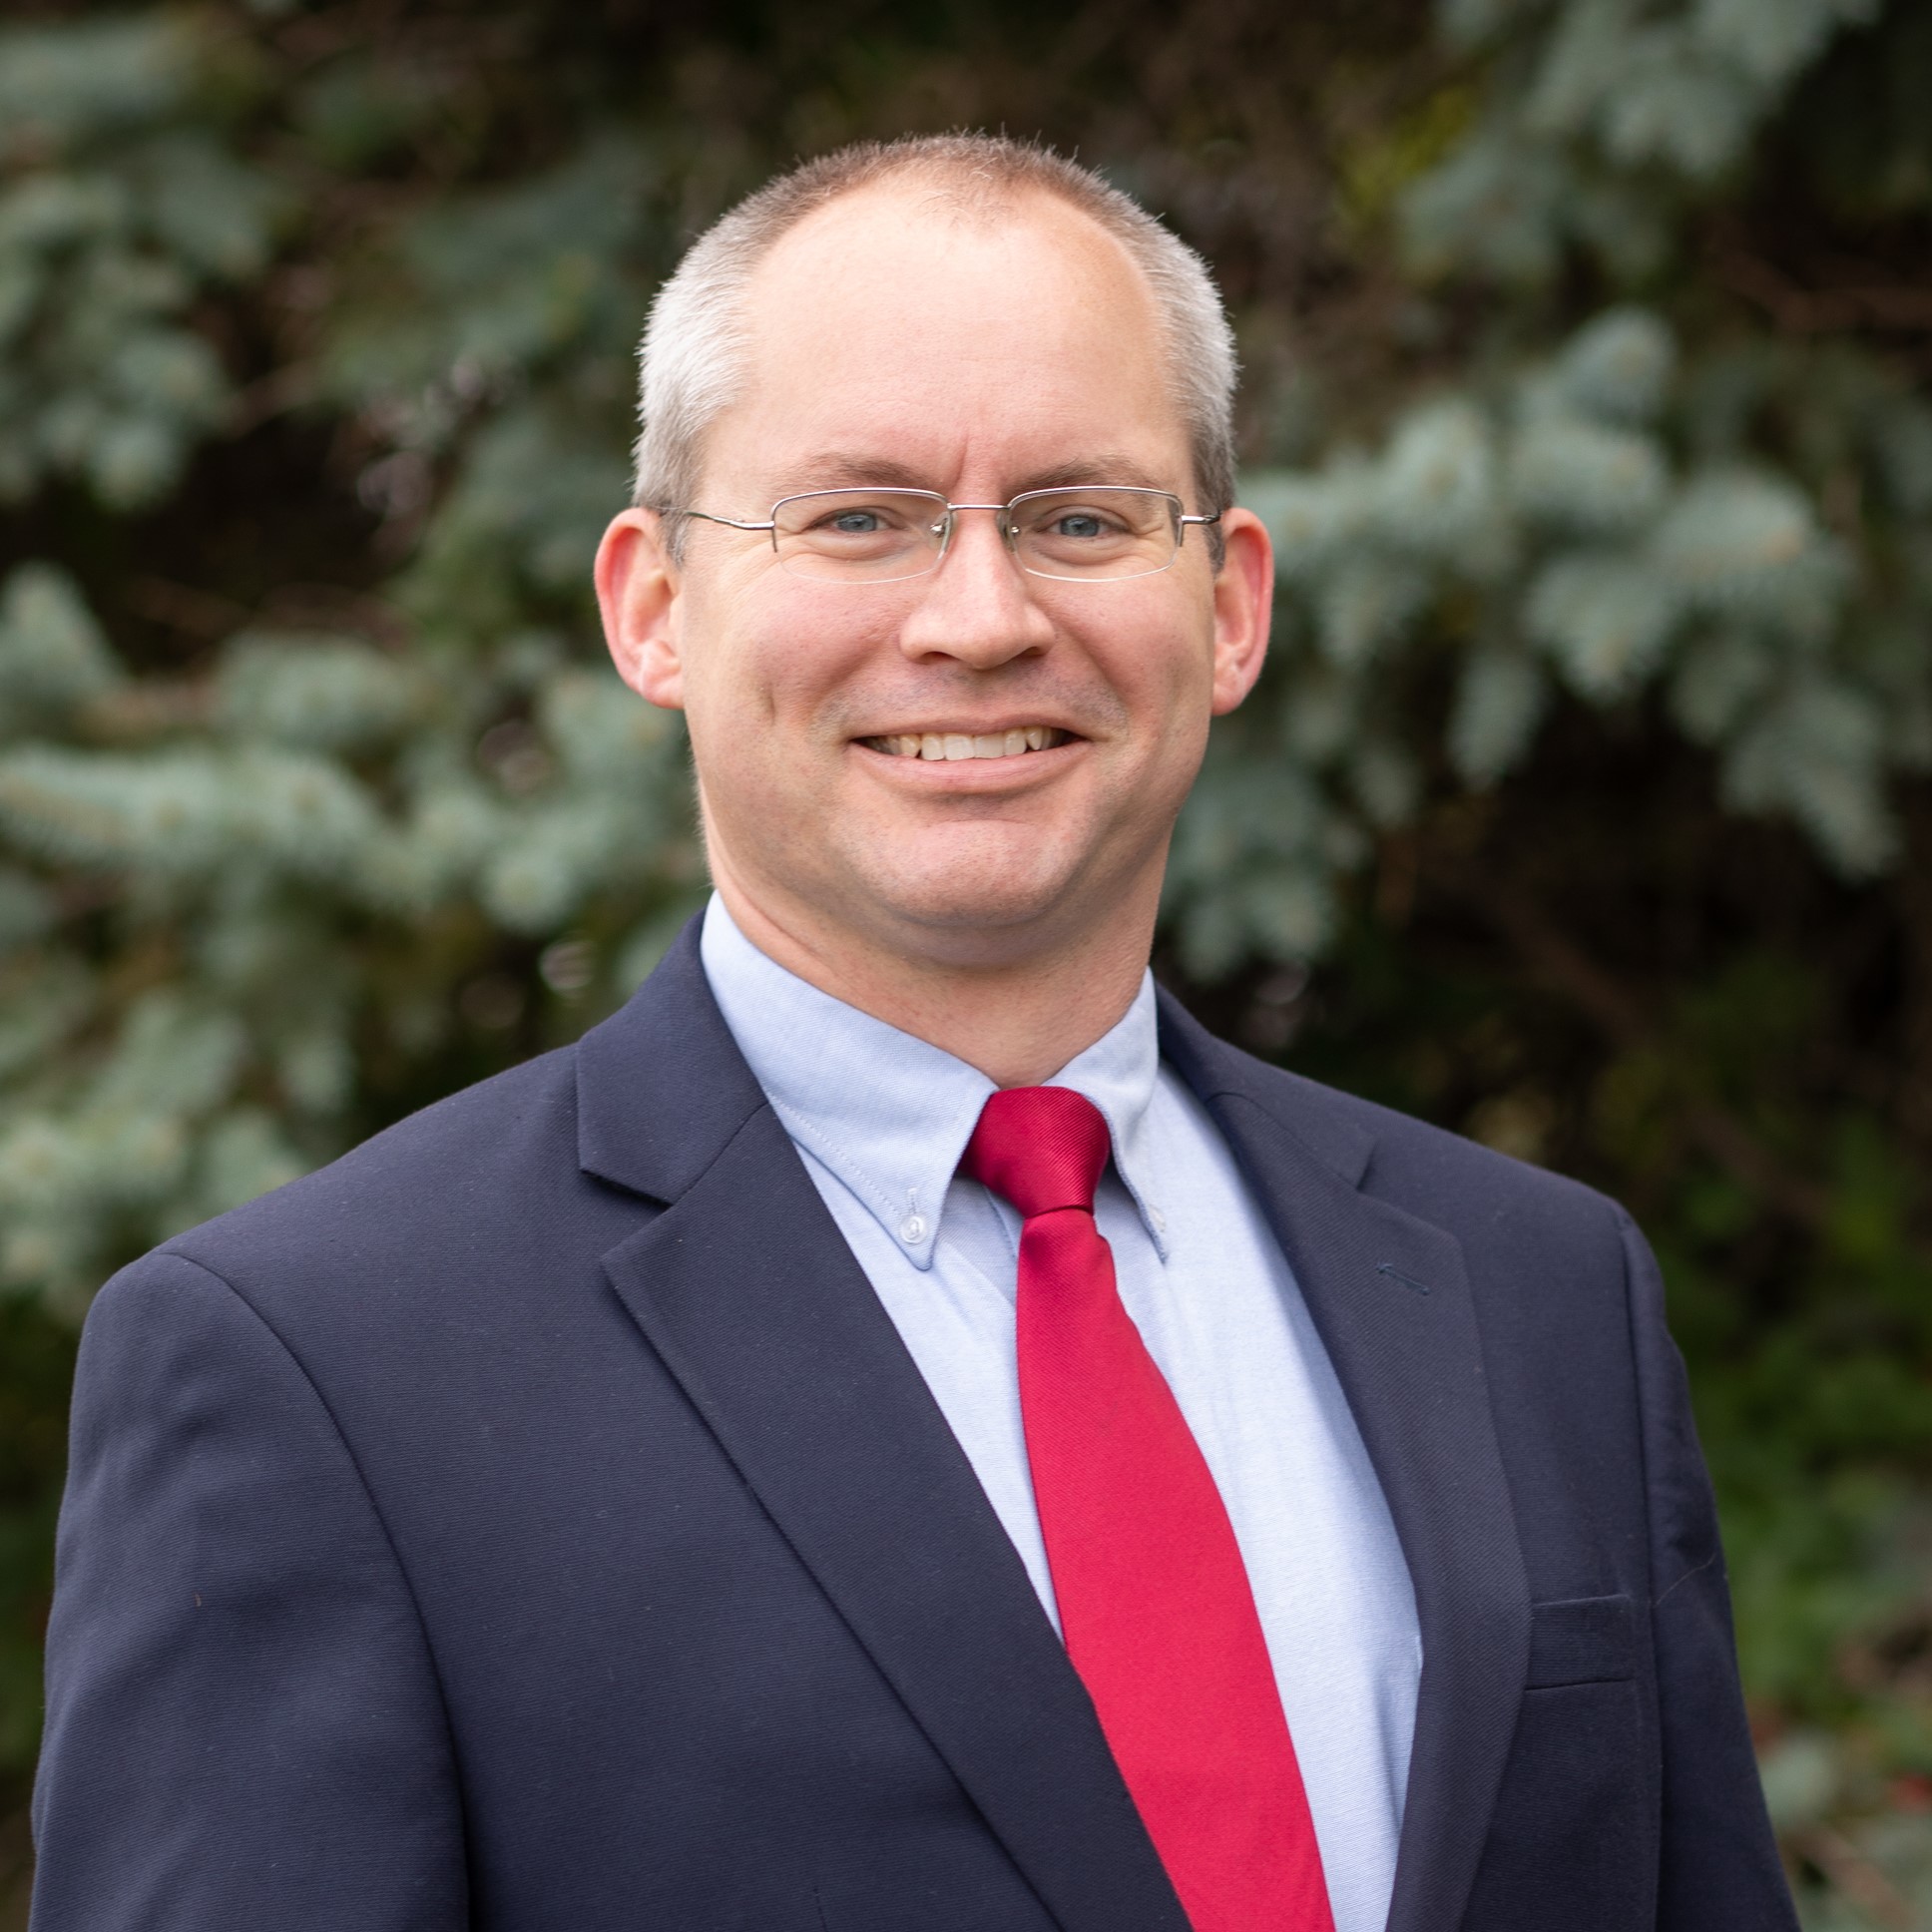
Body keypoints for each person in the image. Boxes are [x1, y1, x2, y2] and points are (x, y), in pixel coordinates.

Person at [31, 135, 1796, 1932]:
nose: (979, 618)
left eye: (1080, 519)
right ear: (653, 607)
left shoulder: (1542, 1298)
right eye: (860, 517)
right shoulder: (323, 1374)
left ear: (1232, 603)